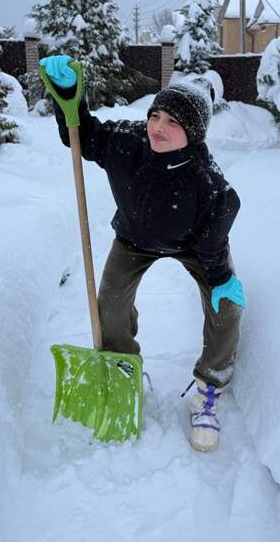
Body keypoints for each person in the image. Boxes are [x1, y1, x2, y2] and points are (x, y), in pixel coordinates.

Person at [41, 55, 246, 452]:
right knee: (110, 307)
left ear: (195, 133)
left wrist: (219, 276)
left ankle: (209, 388)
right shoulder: (127, 142)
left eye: (173, 122)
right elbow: (81, 135)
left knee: (226, 307)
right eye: (156, 116)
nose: (159, 128)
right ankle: (123, 368)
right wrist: (69, 99)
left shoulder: (211, 185)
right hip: (133, 240)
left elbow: (212, 239)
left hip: (194, 245)